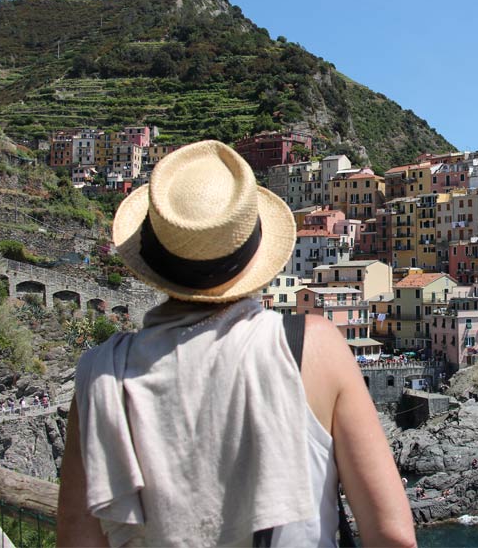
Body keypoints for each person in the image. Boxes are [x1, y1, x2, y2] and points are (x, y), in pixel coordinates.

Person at [57, 141, 415, 548]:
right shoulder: (312, 346)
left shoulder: (101, 375)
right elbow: (392, 535)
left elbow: (76, 539)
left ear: (154, 257)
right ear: (253, 251)